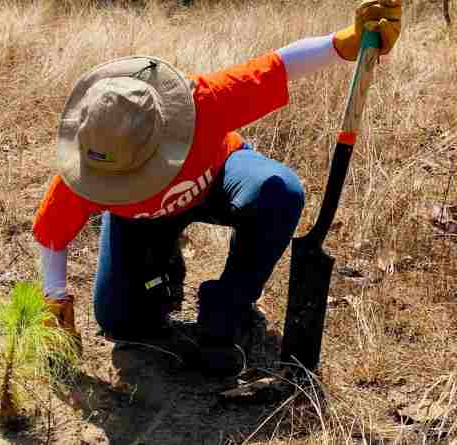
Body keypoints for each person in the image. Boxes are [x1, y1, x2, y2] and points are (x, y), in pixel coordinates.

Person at [33, 1, 402, 379]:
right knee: (121, 322)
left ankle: (227, 305)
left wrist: (348, 42)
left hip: (217, 181)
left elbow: (280, 64)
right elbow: (52, 234)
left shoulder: (199, 104)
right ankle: (163, 272)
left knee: (280, 192)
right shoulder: (86, 170)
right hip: (142, 223)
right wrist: (55, 300)